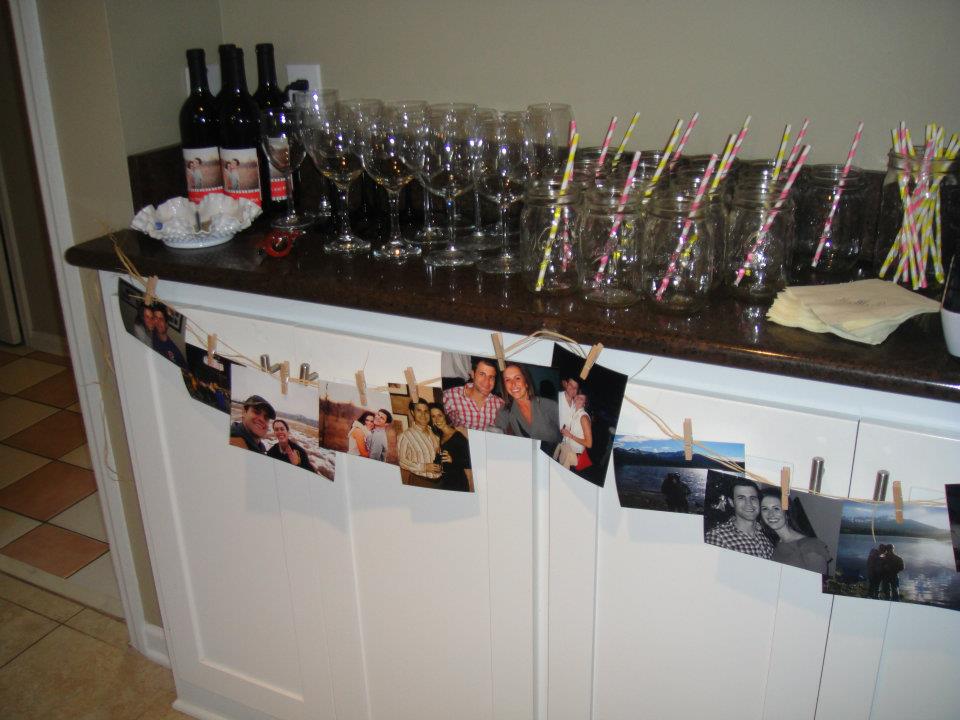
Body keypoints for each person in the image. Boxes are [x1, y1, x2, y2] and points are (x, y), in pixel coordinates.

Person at [758, 489, 832, 574]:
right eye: (765, 509)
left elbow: (818, 584)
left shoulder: (811, 546)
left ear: (787, 512)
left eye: (776, 508)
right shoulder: (774, 547)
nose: (771, 514)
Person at [705, 478, 774, 559]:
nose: (749, 503)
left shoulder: (768, 535)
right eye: (741, 498)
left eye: (753, 498)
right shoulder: (718, 537)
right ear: (731, 502)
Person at [491, 363, 561, 443]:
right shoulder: (505, 410)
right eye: (507, 380)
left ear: (526, 382)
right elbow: (496, 434)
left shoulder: (549, 405)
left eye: (517, 378)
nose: (513, 384)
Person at [442, 357, 505, 431]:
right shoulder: (449, 396)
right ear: (472, 374)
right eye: (482, 374)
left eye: (491, 377)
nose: (487, 381)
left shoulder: (500, 404)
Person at [397, 398, 442, 486]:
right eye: (419, 411)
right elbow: (401, 461)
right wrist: (424, 467)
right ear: (413, 412)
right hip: (420, 482)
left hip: (440, 481)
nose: (423, 414)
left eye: (426, 411)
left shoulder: (435, 433)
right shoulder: (405, 436)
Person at [429, 403, 473, 492]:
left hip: (458, 483)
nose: (437, 419)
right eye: (433, 416)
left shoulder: (458, 436)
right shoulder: (441, 435)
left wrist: (453, 459)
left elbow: (469, 461)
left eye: (439, 415)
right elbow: (444, 457)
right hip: (446, 481)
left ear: (445, 416)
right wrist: (436, 463)